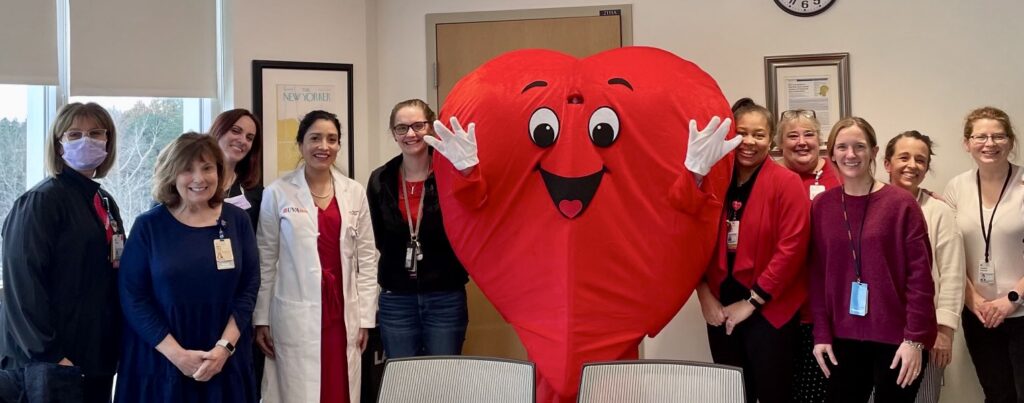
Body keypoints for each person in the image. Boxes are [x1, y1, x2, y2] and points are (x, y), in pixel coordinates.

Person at [115, 133, 259, 401]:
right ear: (172, 175)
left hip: (224, 361)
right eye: (187, 169)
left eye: (207, 168)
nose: (199, 178)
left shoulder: (237, 221)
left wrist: (224, 348)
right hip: (161, 362)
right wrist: (178, 355)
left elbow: (249, 289)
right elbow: (133, 297)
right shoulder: (149, 226)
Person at [0, 102, 123, 402]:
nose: (87, 141)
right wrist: (51, 355)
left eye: (96, 133)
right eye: (75, 134)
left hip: (94, 357)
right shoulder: (40, 201)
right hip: (48, 363)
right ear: (57, 145)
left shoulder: (103, 201)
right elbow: (22, 286)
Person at [810, 117, 936, 403]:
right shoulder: (821, 206)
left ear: (875, 152)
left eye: (859, 146)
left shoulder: (901, 204)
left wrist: (914, 339)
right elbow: (817, 276)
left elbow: (920, 279)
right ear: (831, 155)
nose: (850, 154)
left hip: (898, 339)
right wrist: (821, 334)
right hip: (843, 337)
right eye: (842, 147)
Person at [255, 110, 379, 402]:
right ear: (300, 145)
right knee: (298, 390)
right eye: (315, 138)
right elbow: (266, 259)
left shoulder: (354, 191)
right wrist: (261, 318)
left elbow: (367, 259)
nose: (324, 146)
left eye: (332, 139)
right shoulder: (278, 193)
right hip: (295, 312)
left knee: (339, 388)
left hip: (341, 313)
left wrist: (365, 319)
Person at [695, 98, 810, 403]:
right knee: (732, 395)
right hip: (720, 309)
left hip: (771, 310)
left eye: (759, 134)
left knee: (774, 394)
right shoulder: (714, 180)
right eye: (742, 132)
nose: (749, 142)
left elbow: (793, 249)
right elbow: (691, 240)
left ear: (771, 140)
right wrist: (704, 295)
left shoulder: (787, 183)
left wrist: (752, 301)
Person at [367, 99, 469, 359]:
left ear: (432, 128)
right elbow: (377, 237)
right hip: (397, 298)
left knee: (443, 379)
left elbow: (471, 226)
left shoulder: (452, 173)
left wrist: (469, 171)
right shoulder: (381, 179)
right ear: (393, 134)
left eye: (418, 126)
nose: (411, 134)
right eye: (402, 128)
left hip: (444, 296)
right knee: (403, 381)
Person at [943, 106, 1024, 403]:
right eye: (980, 136)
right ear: (967, 143)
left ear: (1011, 142)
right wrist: (973, 300)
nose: (989, 143)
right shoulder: (956, 187)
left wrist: (1011, 300)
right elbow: (950, 255)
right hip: (979, 314)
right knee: (997, 394)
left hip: (1021, 310)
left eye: (998, 136)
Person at [882, 131, 965, 403]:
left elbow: (952, 273)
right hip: (878, 330)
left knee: (922, 398)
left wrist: (945, 330)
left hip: (926, 331)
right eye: (903, 157)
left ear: (927, 168)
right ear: (886, 164)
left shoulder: (938, 211)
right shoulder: (870, 204)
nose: (912, 165)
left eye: (920, 160)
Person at [776, 108, 840, 403]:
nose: (802, 142)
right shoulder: (771, 178)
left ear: (820, 140)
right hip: (780, 309)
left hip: (829, 311)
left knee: (823, 393)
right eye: (792, 136)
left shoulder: (840, 173)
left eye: (809, 134)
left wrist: (924, 196)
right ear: (779, 143)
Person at [209, 108, 263, 229]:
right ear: (218, 130)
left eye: (249, 138)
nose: (243, 140)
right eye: (235, 131)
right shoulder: (194, 185)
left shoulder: (256, 194)